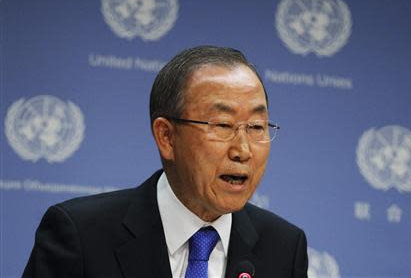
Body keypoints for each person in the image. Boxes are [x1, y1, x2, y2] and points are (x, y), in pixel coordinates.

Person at [23, 46, 308, 278]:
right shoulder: (81, 237)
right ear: (167, 137)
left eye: (257, 127)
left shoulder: (284, 248)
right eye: (223, 125)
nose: (243, 150)